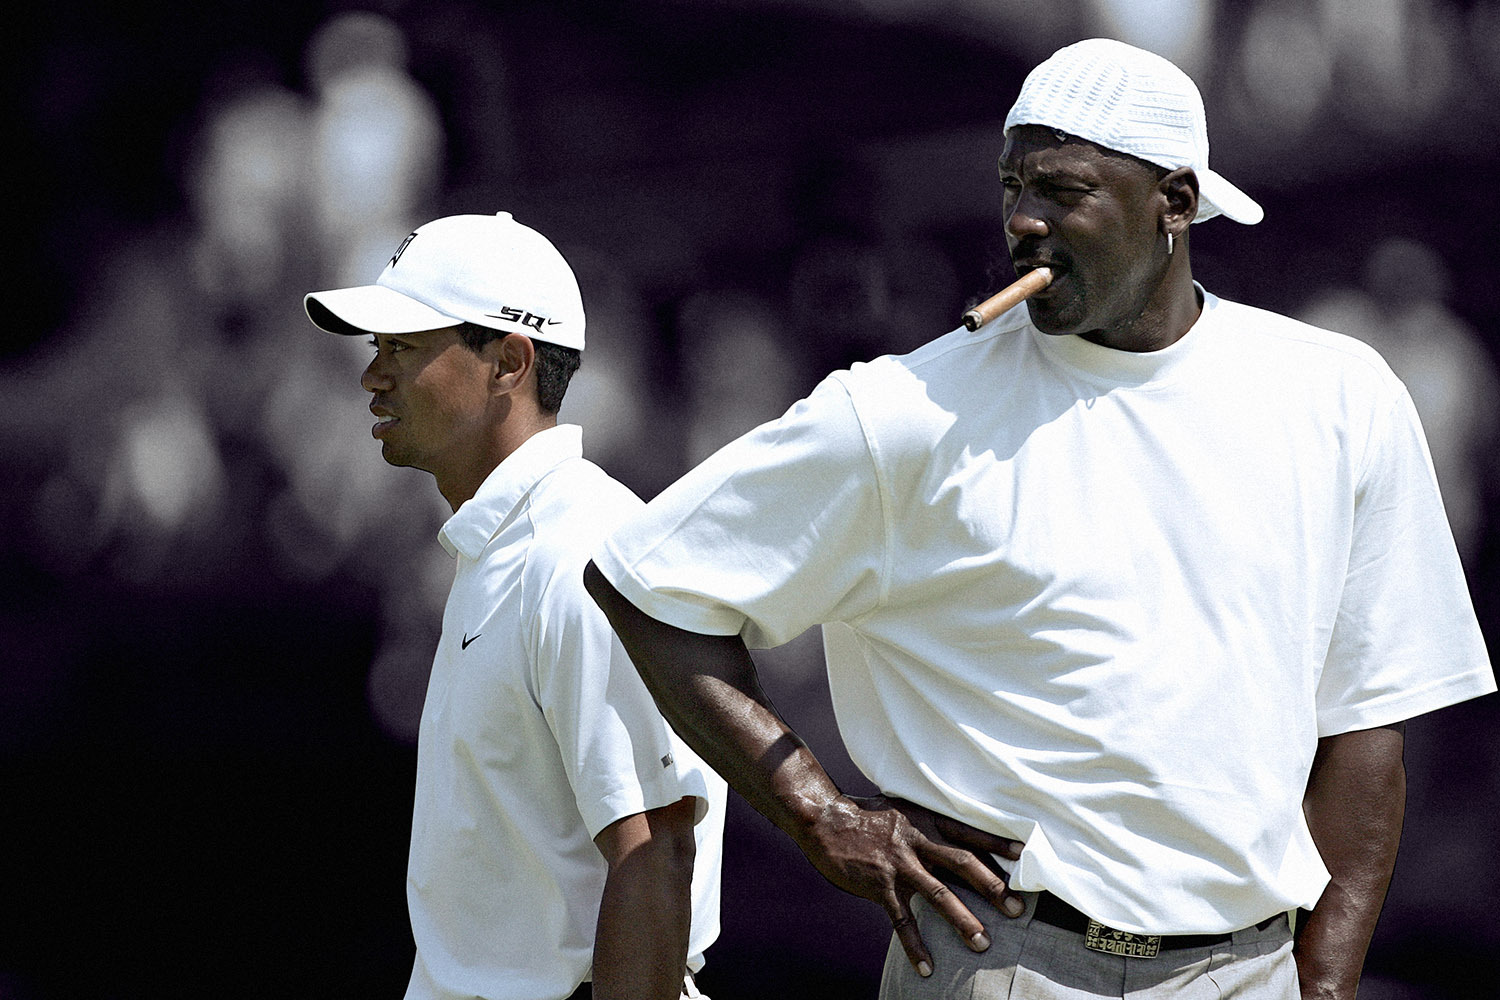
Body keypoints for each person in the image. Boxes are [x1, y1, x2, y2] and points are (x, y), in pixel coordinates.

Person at [582, 38, 1496, 1000]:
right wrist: (820, 812)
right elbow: (647, 584)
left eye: (1062, 191)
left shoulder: (1338, 397)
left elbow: (1368, 724)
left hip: (1249, 973)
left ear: (1175, 204)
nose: (1023, 219)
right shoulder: (907, 413)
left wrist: (1325, 983)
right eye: (1012, 185)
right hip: (1002, 965)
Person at [304, 212, 726, 1000]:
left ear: (510, 361)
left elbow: (655, 852)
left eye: (402, 347)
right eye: (375, 349)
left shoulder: (576, 554)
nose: (372, 375)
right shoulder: (506, 548)